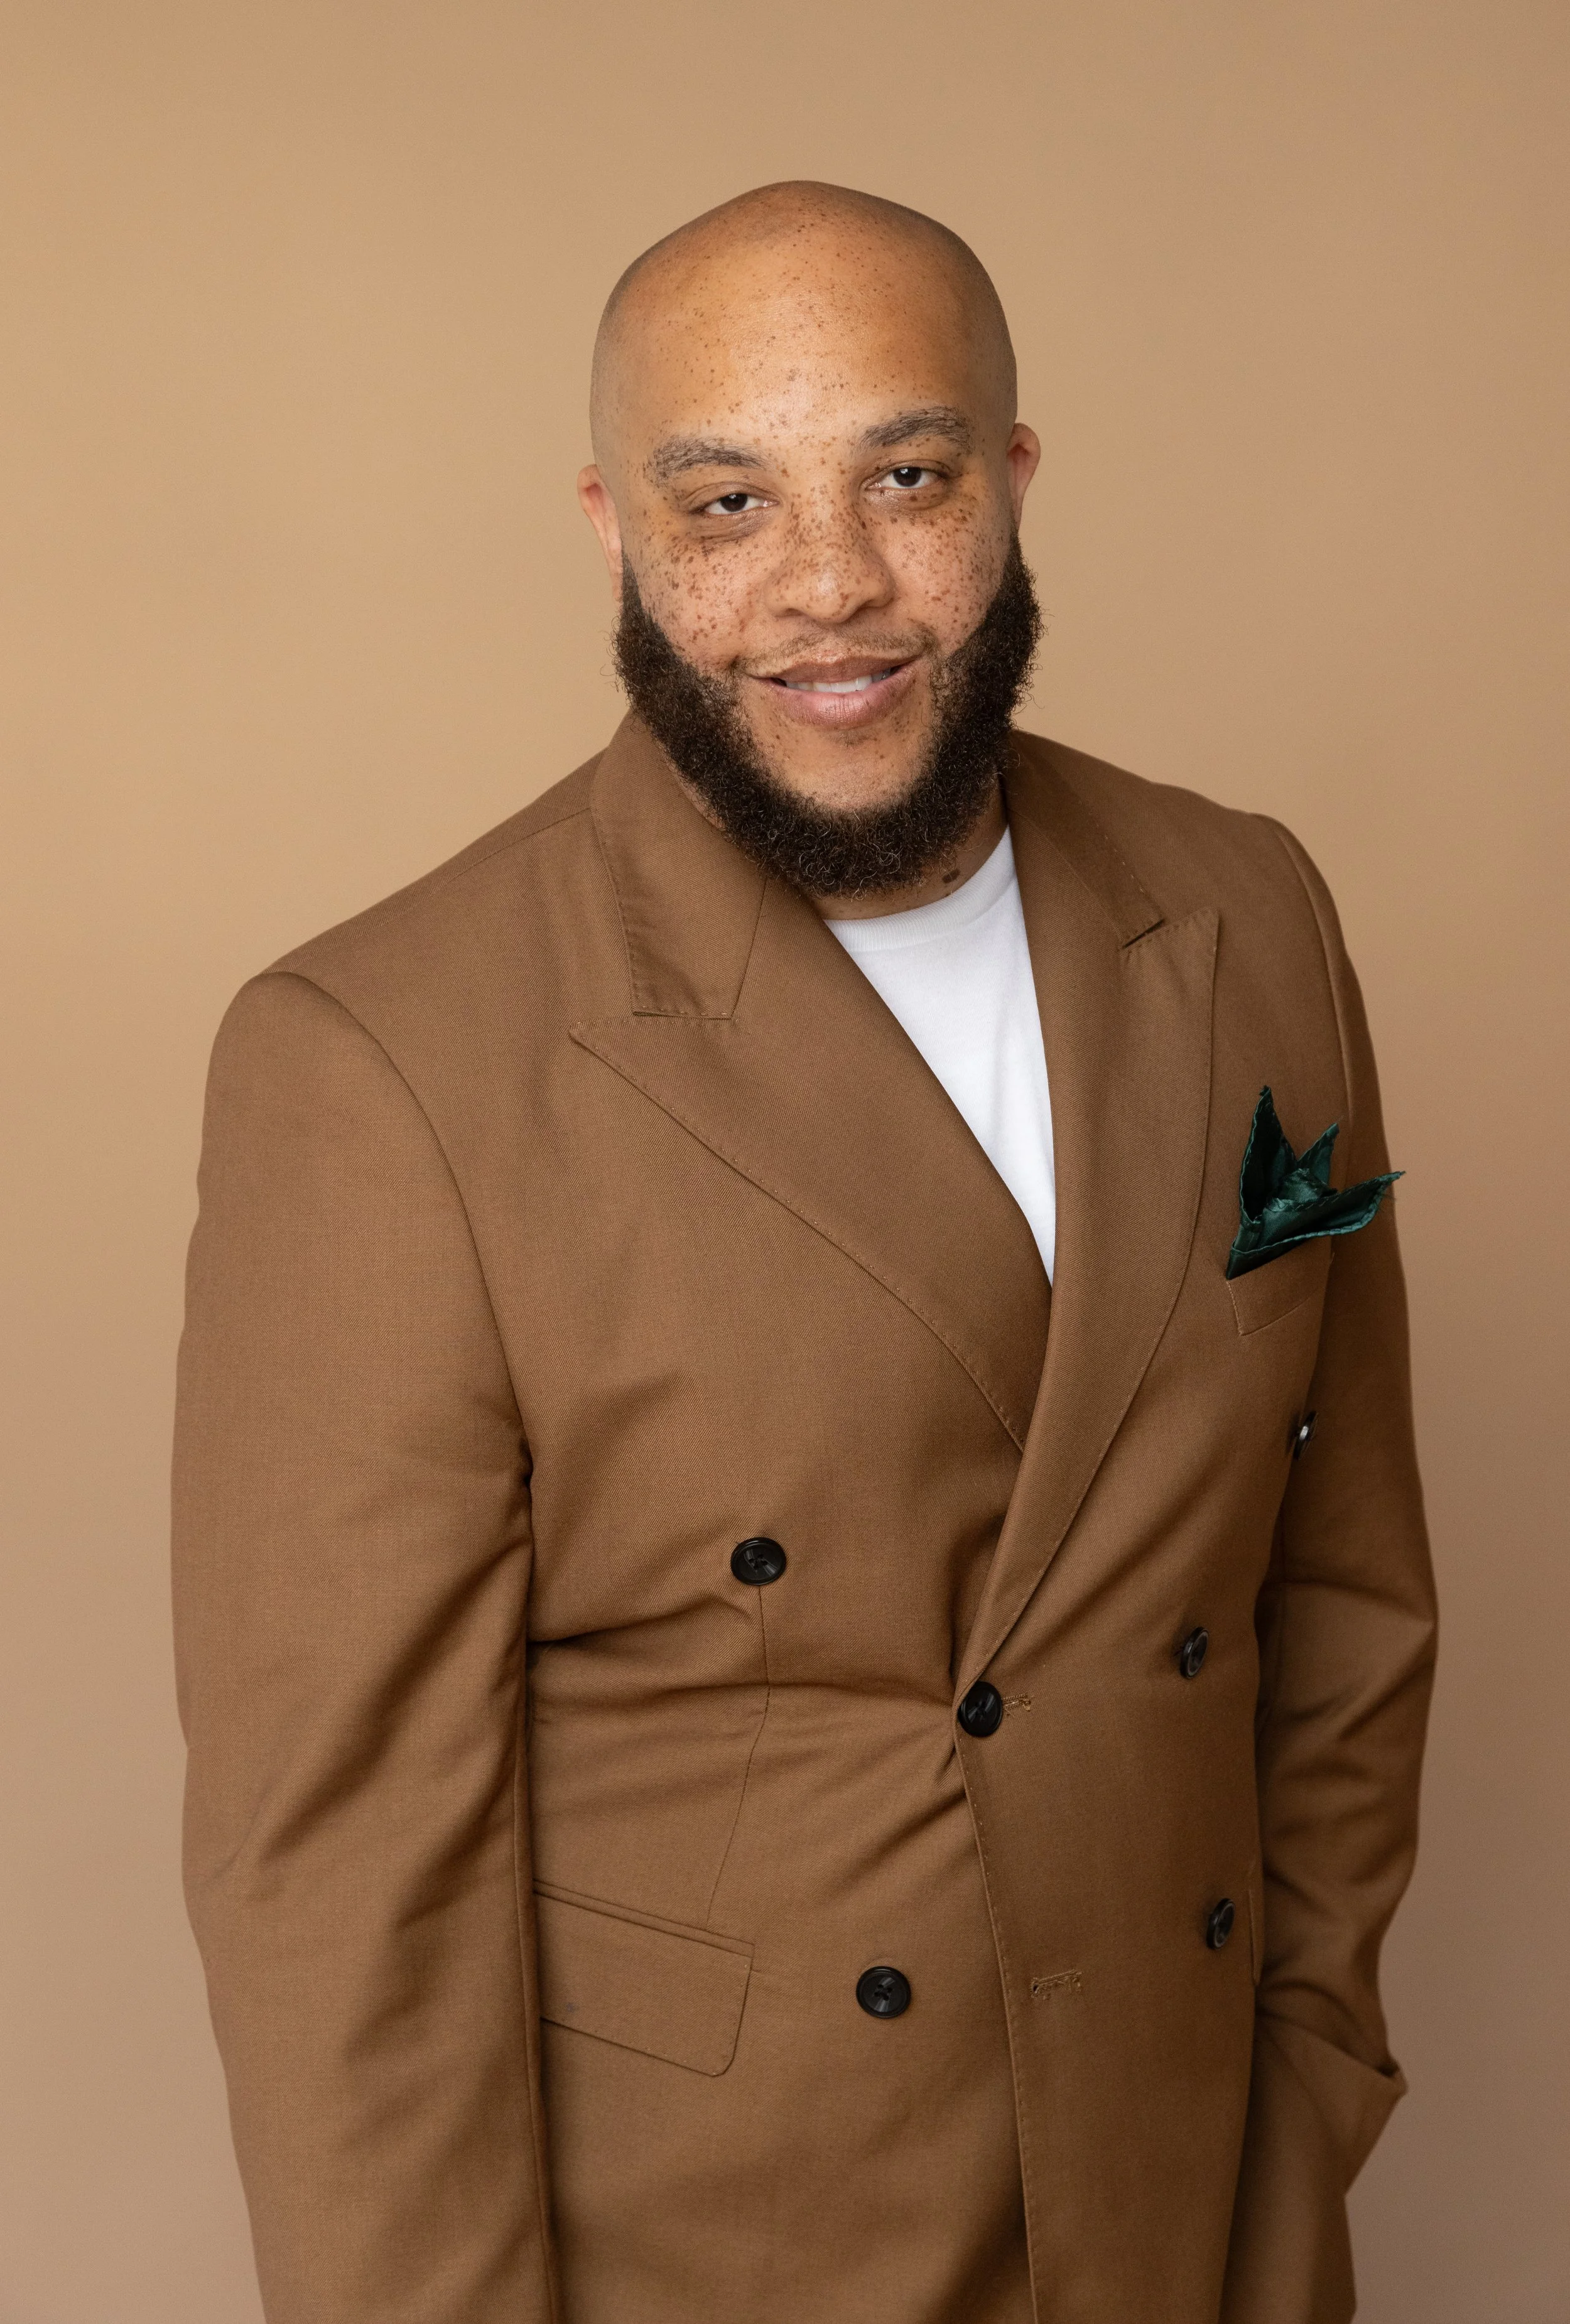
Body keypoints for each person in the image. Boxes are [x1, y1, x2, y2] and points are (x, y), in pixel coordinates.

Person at [173, 181, 1436, 2324]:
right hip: (734, 2248)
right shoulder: (387, 1054)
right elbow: (341, 1897)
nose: (829, 588)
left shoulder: (1244, 910)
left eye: (908, 478)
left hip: (1199, 2204)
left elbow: (1338, 1582)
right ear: (610, 526)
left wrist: (1304, 2074)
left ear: (1010, 483)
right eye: (726, 501)